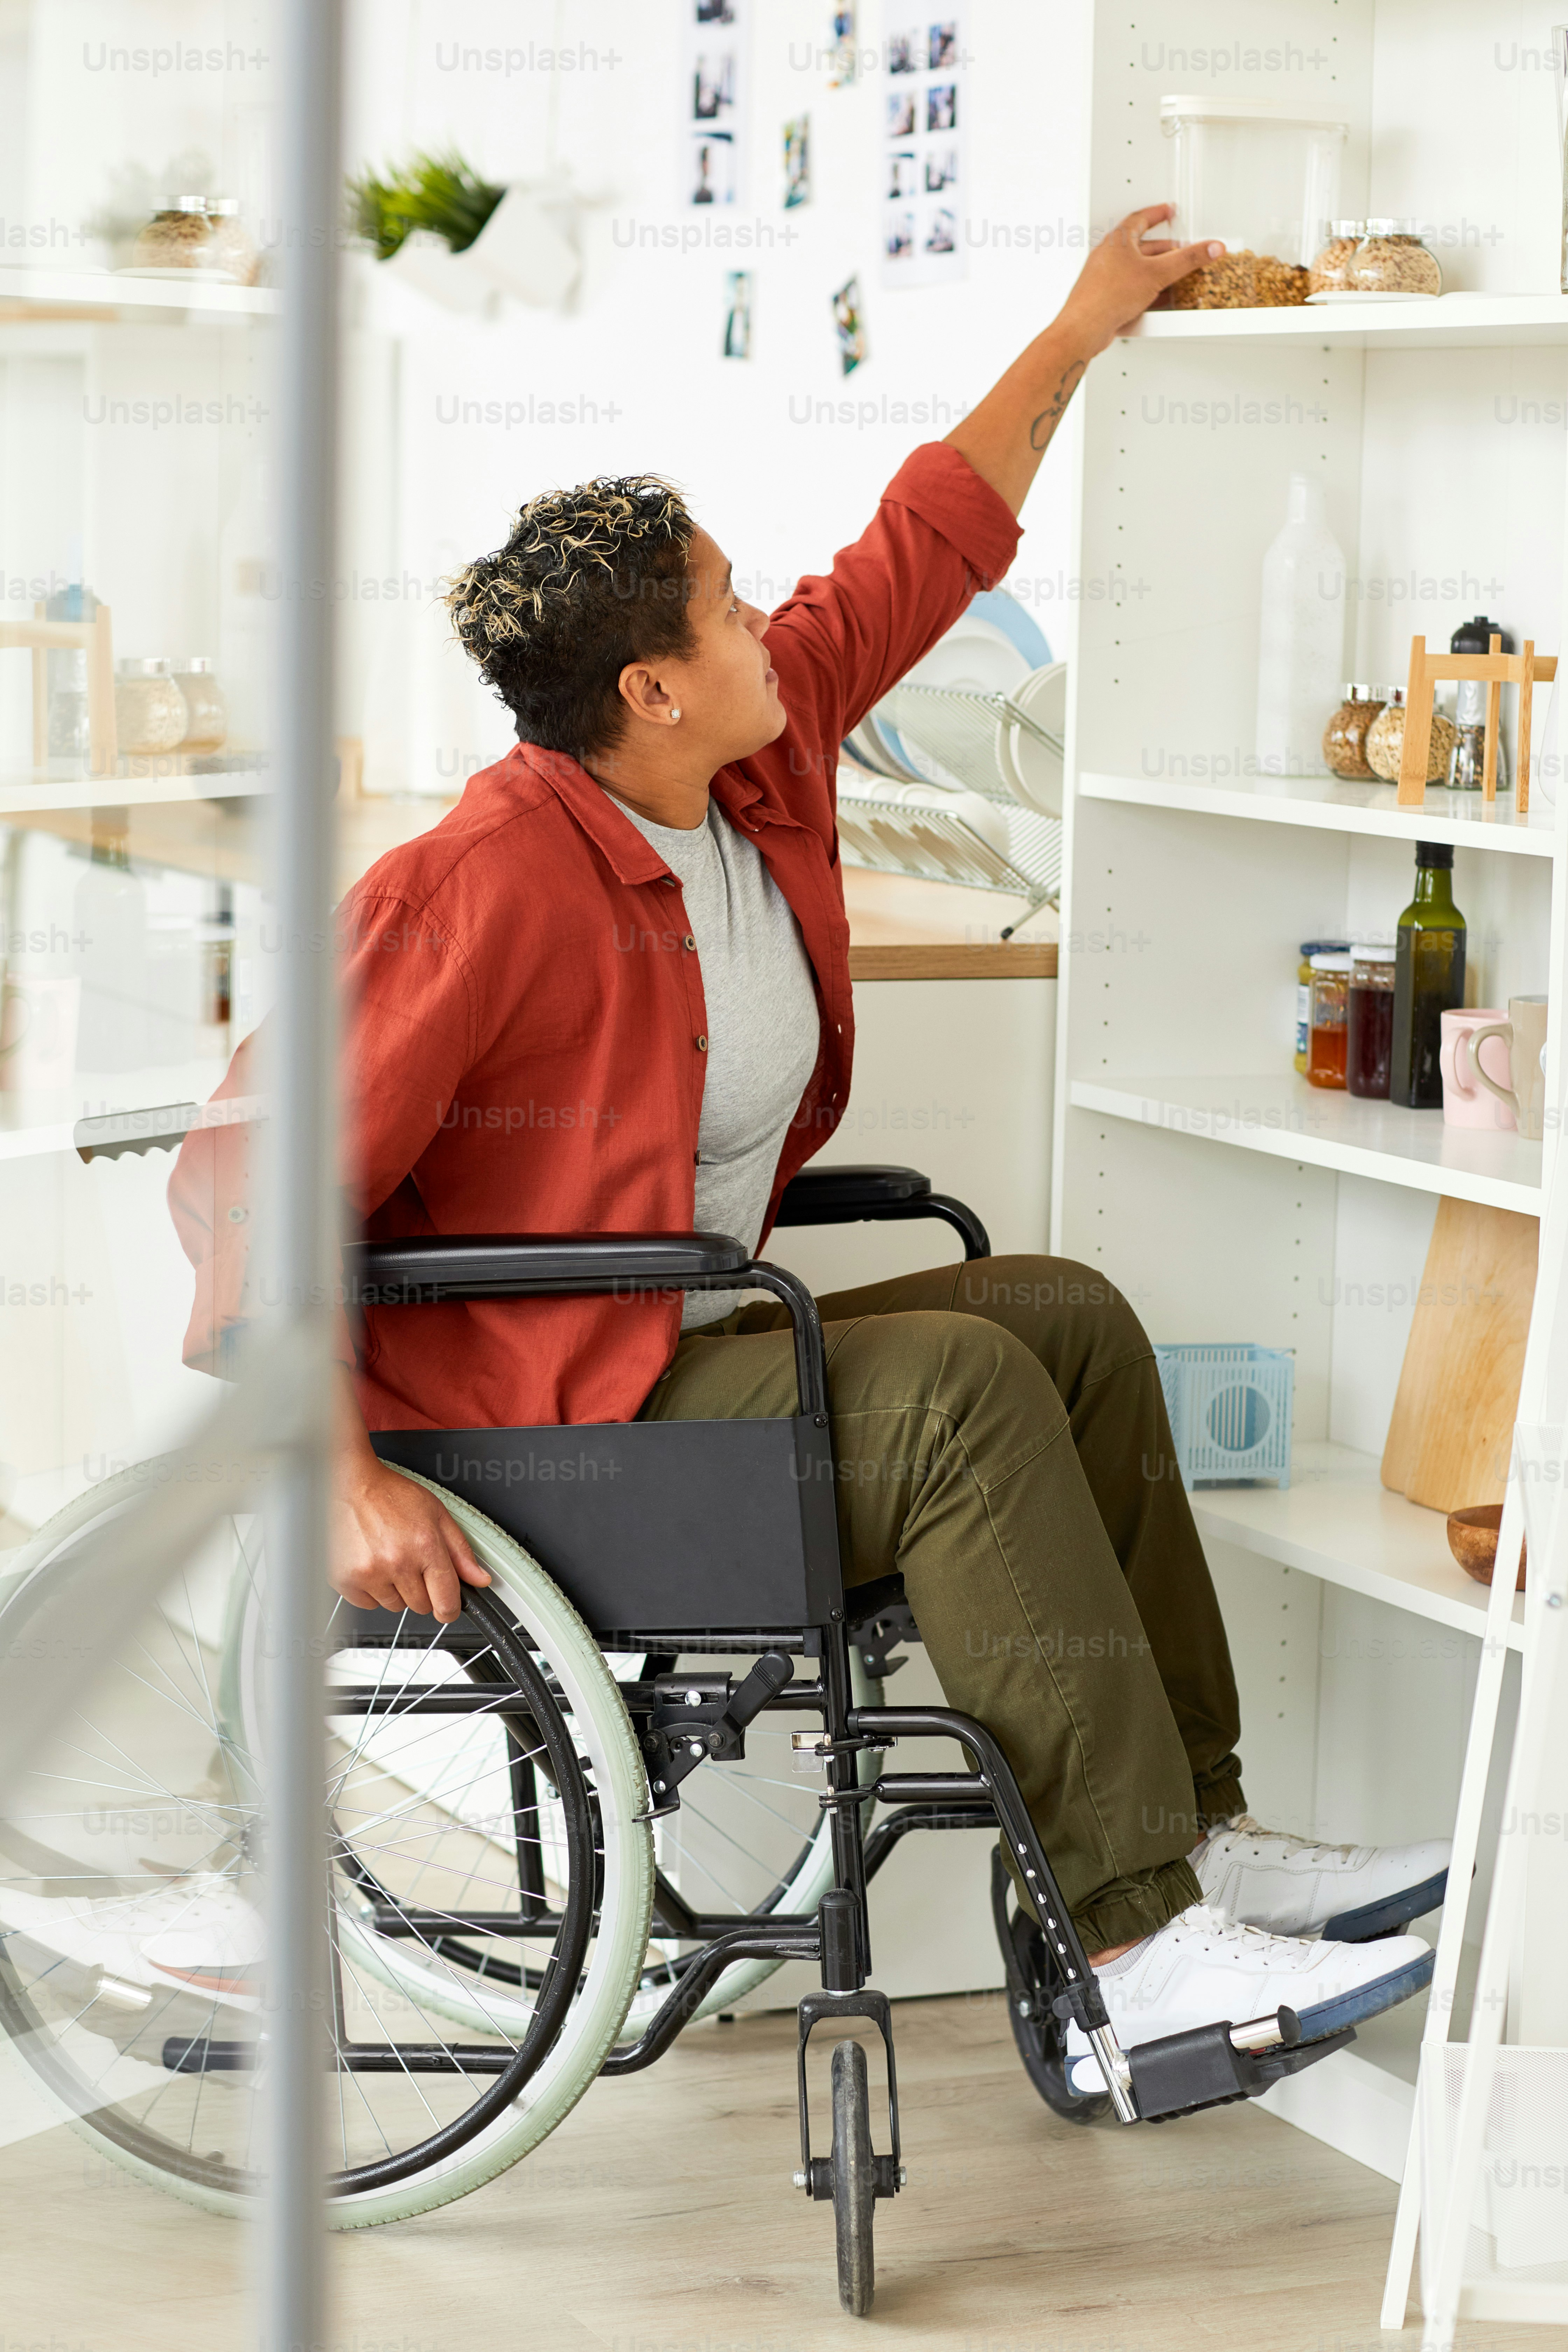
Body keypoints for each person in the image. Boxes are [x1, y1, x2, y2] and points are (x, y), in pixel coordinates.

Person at [172, 206, 1448, 2085]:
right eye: (725, 606)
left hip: (675, 1356)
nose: (768, 620)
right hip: (552, 1435)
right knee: (951, 1400)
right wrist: (349, 1472)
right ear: (648, 688)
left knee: (1065, 1320)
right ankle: (1134, 1945)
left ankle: (1195, 1820)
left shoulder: (741, 767)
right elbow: (247, 1179)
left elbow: (925, 544)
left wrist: (1083, 323)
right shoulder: (488, 877)